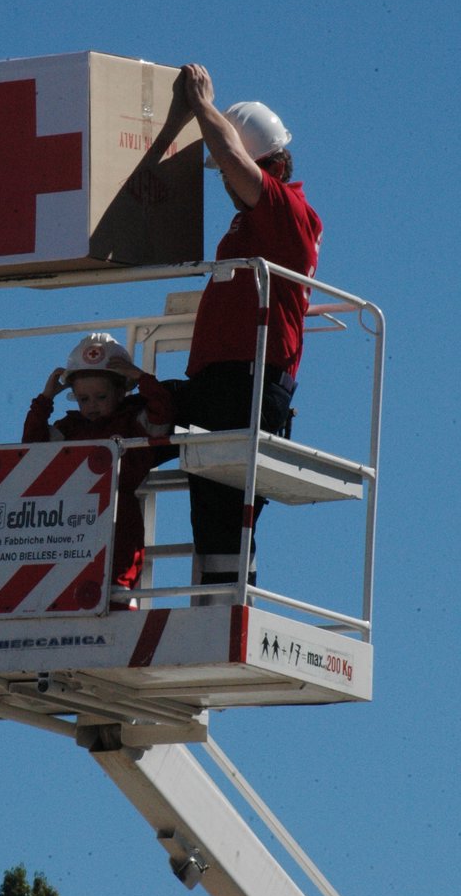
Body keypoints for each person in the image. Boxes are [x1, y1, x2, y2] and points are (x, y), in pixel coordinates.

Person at [173, 63, 323, 597]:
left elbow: (235, 161)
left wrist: (201, 105)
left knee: (224, 508)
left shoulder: (287, 210)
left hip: (248, 380)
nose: (228, 184)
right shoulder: (257, 222)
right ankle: (216, 600)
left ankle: (224, 607)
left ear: (274, 165)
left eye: (236, 173)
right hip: (224, 380)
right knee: (207, 500)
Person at [22, 333, 173, 606]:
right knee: (65, 592)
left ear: (121, 391)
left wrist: (140, 377)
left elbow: (163, 410)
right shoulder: (69, 429)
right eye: (83, 399)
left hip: (120, 519)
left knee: (118, 594)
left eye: (100, 397)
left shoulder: (135, 421)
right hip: (69, 522)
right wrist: (45, 399)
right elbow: (33, 450)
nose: (91, 406)